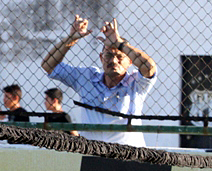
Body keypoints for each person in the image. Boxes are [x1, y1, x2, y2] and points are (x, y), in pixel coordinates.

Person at [41, 15, 157, 146]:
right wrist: (71, 39)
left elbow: (150, 67)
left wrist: (119, 43)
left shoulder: (136, 83)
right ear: (101, 58)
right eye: (108, 55)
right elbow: (48, 65)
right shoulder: (87, 77)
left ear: (130, 61)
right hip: (91, 155)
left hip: (128, 157)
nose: (113, 61)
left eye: (119, 56)